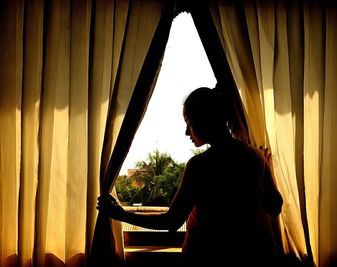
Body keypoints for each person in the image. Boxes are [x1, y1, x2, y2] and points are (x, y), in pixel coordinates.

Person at [97, 86, 284, 266]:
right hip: (252, 256)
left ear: (207, 121)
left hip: (207, 257)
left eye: (190, 124)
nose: (187, 132)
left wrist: (121, 215)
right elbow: (275, 205)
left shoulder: (201, 165)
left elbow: (172, 221)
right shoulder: (256, 156)